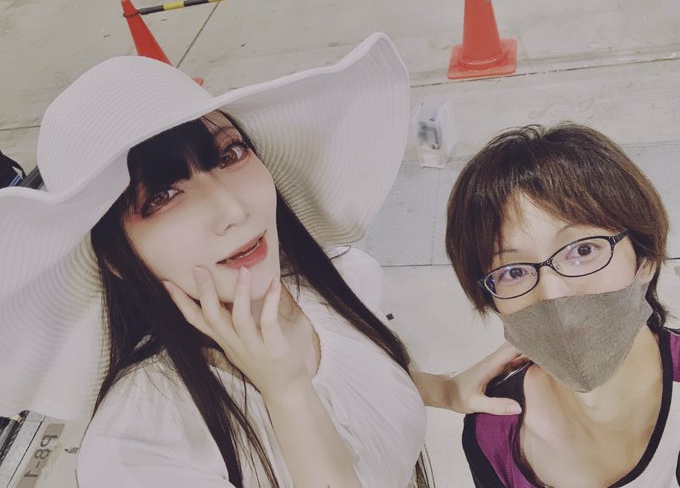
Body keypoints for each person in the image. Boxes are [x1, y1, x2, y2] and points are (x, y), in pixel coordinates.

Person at [0, 33, 522, 488]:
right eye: (161, 196)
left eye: (229, 155)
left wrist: (442, 389)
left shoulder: (330, 284)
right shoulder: (139, 449)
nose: (233, 209)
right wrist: (286, 392)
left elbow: (363, 380)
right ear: (115, 258)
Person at [446, 122, 680, 487]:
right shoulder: (493, 434)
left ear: (646, 259)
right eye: (513, 271)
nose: (553, 294)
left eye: (583, 250)